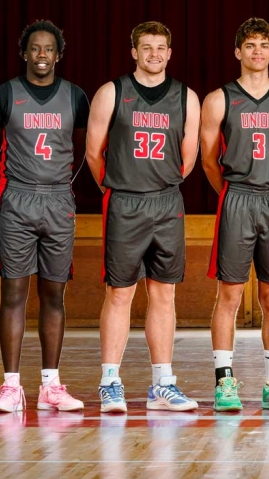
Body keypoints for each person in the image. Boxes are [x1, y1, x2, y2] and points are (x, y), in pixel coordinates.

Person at [86, 21, 201, 412]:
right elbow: (93, 153)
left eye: (161, 48)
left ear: (170, 53)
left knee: (164, 294)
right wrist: (119, 188)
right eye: (146, 47)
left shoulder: (187, 97)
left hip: (167, 203)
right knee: (120, 293)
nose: (154, 54)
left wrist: (159, 185)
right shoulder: (111, 92)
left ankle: (162, 384)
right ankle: (110, 381)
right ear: (134, 52)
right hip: (126, 202)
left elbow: (188, 159)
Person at [0, 20, 89, 413]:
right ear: (24, 53)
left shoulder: (76, 97)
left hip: (58, 200)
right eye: (35, 49)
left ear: (59, 55)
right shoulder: (4, 95)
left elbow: (78, 149)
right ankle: (11, 386)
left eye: (49, 49)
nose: (42, 55)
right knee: (13, 293)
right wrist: (8, 189)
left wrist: (57, 186)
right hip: (17, 200)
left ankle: (50, 385)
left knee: (53, 294)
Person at [199, 18, 269, 411]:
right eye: (250, 45)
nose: (257, 51)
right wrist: (231, 194)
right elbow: (209, 160)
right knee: (228, 295)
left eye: (264, 45)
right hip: (236, 197)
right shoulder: (219, 99)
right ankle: (224, 382)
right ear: (238, 52)